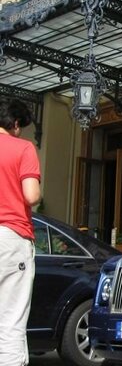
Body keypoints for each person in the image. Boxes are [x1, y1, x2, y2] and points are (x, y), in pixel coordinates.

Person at [0, 98, 41, 366]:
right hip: (10, 237)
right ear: (14, 124)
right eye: (20, 127)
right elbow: (31, 196)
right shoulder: (23, 148)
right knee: (10, 321)